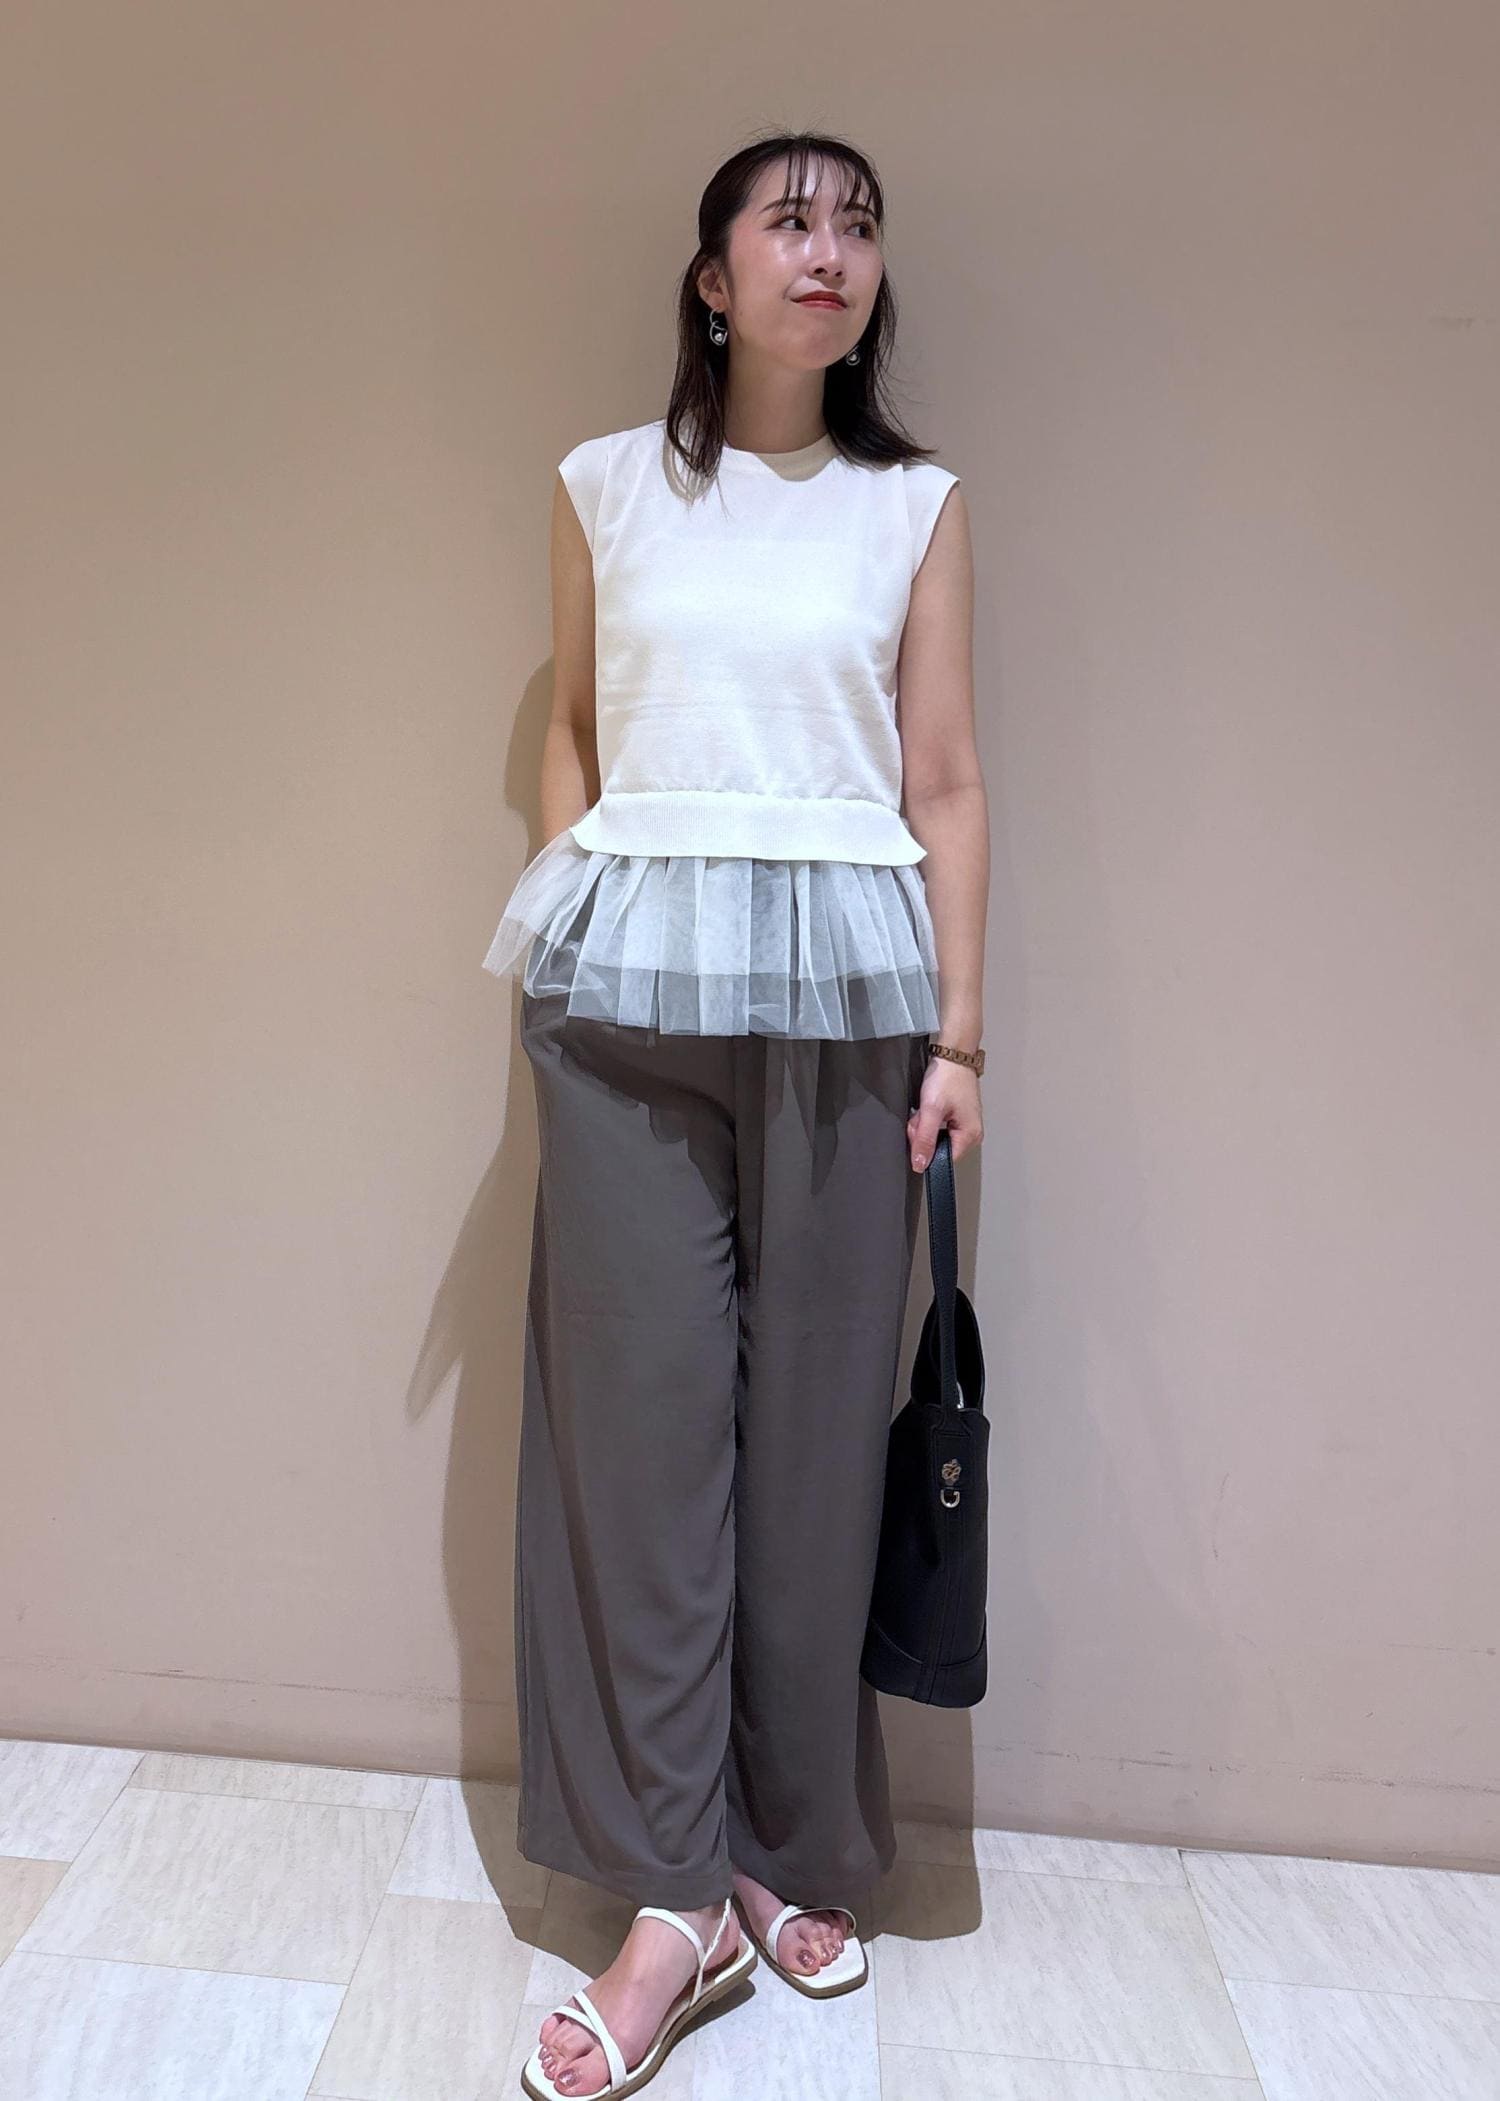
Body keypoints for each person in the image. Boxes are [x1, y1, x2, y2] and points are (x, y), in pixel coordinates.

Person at [482, 130, 988, 2100]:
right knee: (640, 1437)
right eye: (790, 221)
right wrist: (562, 914)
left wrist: (962, 1038)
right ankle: (672, 1887)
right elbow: (574, 730)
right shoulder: (603, 482)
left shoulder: (913, 506)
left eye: (857, 224)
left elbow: (944, 781)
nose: (828, 251)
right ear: (712, 276)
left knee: (817, 1443)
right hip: (626, 1007)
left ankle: (785, 1834)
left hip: (854, 1009)